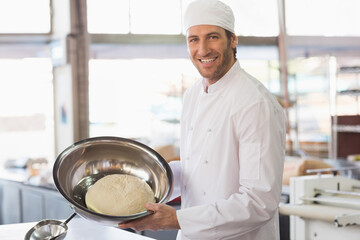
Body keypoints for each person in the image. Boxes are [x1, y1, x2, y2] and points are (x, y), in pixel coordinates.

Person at [118, 0, 286, 239]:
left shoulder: (254, 102)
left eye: (213, 37)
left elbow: (260, 202)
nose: (203, 49)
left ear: (233, 40)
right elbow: (198, 168)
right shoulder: (193, 94)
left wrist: (176, 219)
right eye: (193, 39)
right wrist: (148, 180)